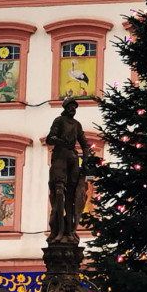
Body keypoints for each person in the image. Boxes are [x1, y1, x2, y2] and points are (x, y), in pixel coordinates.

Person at [46, 97, 93, 242]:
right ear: (66, 108)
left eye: (74, 107)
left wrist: (85, 160)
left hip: (72, 159)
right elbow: (50, 138)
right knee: (59, 192)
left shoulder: (77, 125)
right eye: (71, 106)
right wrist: (59, 140)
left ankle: (70, 230)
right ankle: (59, 230)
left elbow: (84, 144)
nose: (73, 109)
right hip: (60, 157)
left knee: (71, 196)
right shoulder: (59, 121)